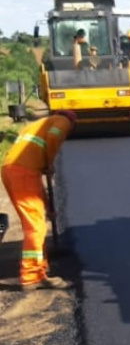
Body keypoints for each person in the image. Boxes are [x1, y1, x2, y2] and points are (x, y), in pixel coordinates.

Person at [1, 110, 78, 291]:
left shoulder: (36, 125)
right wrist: (49, 162)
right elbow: (54, 136)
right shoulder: (63, 121)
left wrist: (48, 206)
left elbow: (35, 187)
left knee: (33, 223)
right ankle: (30, 276)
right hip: (23, 172)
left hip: (10, 170)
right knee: (35, 227)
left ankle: (40, 270)